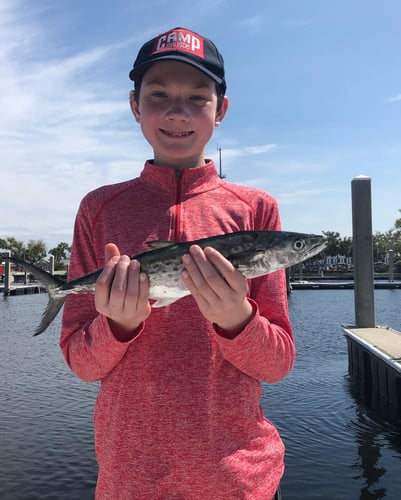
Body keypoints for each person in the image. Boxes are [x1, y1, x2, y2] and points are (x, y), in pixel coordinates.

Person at [60, 27, 295, 500]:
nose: (176, 112)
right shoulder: (99, 209)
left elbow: (277, 364)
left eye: (197, 97)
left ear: (221, 110)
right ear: (134, 105)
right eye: (159, 94)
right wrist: (118, 327)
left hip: (241, 480)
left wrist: (236, 319)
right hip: (130, 479)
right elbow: (82, 364)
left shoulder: (255, 211)